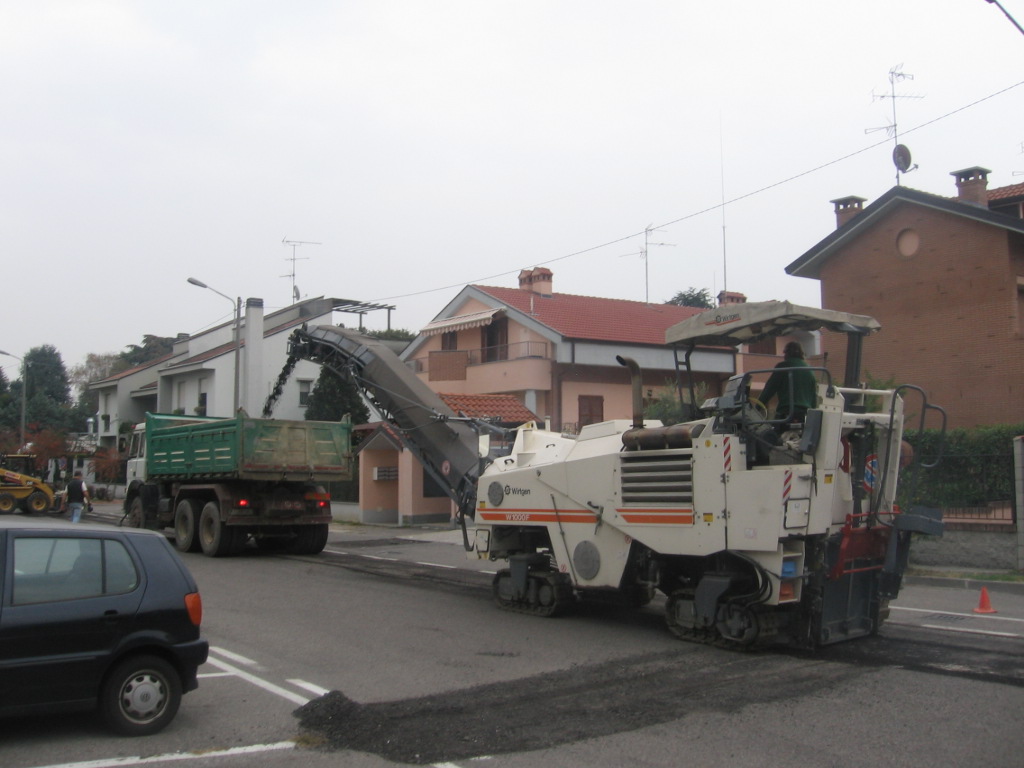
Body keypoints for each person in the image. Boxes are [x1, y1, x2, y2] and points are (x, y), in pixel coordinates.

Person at [758, 341, 818, 425]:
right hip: (805, 415)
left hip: (786, 413)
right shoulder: (810, 370)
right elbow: (814, 398)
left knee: (769, 435)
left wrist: (756, 408)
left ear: (787, 353)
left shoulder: (783, 367)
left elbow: (769, 390)